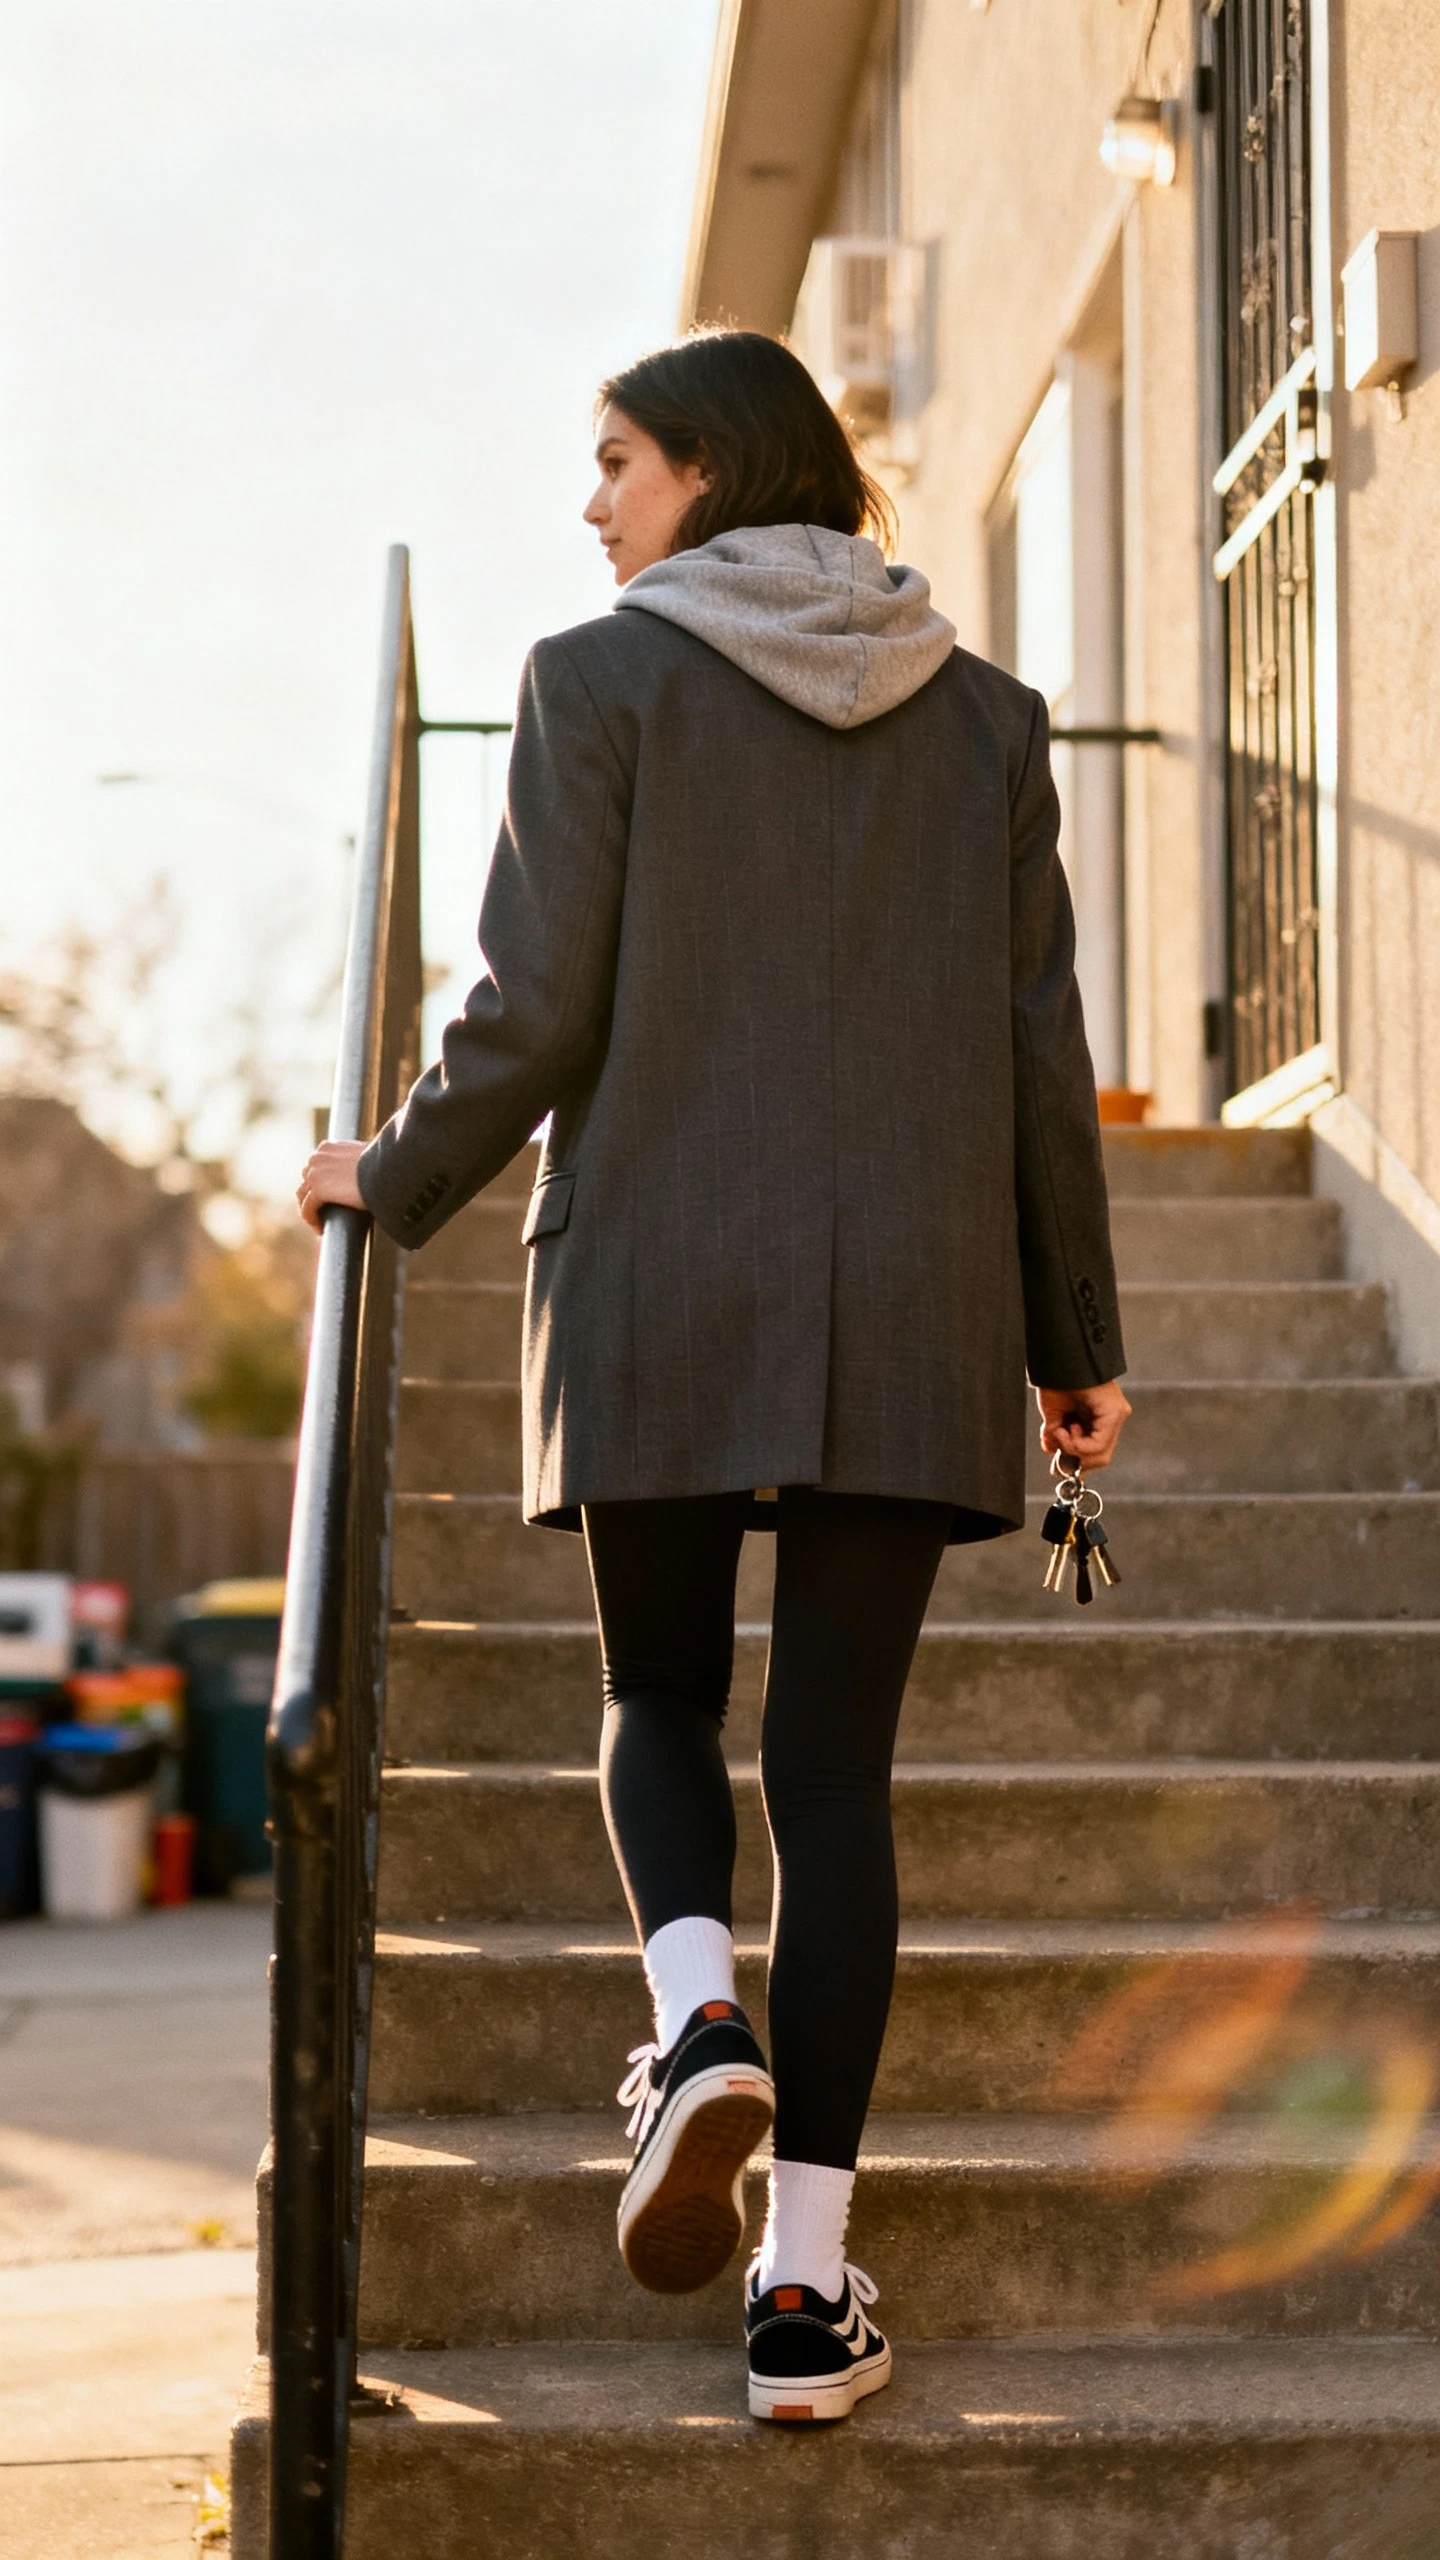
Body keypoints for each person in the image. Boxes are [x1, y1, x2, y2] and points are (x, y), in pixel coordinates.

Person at [298, 329, 1131, 2426]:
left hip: (663, 1276)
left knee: (655, 1697)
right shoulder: (993, 725)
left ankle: (697, 2019)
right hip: (919, 1297)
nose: (593, 505)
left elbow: (535, 1003)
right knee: (835, 1778)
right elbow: (1041, 1052)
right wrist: (1077, 1345)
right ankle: (802, 2295)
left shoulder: (599, 680)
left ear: (711, 469)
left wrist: (388, 1174)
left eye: (616, 462)